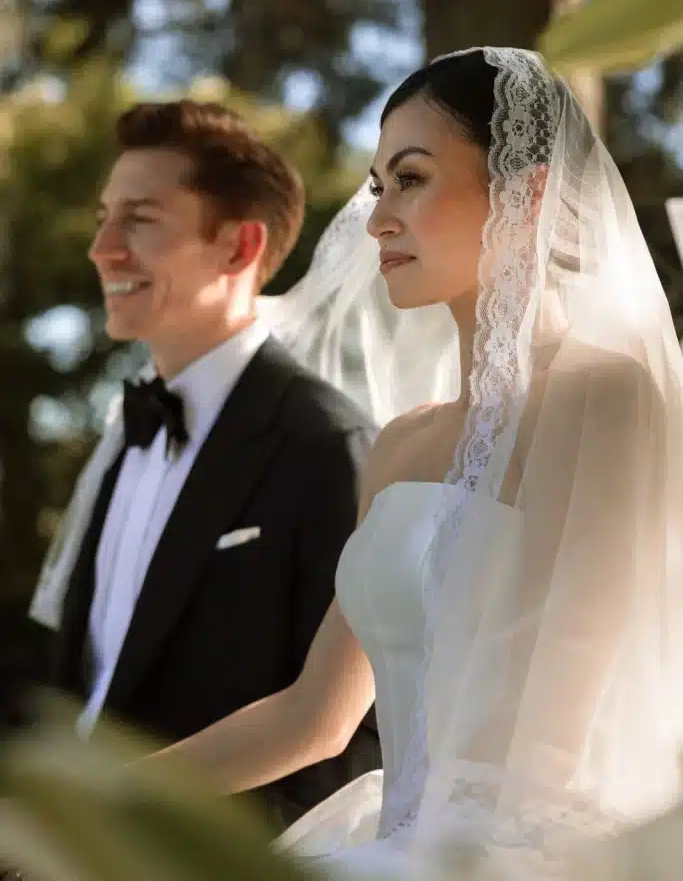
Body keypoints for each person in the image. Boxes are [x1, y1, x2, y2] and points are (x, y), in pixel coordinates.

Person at [146, 48, 683, 879]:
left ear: (524, 191)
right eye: (376, 187)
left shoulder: (603, 400)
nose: (377, 220)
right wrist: (80, 808)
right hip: (390, 844)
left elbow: (558, 735)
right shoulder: (401, 444)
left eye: (412, 178)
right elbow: (311, 719)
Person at [27, 100, 380, 830]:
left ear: (237, 247)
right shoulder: (127, 431)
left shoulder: (322, 442)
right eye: (103, 217)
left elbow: (354, 736)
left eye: (140, 220)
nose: (103, 248)